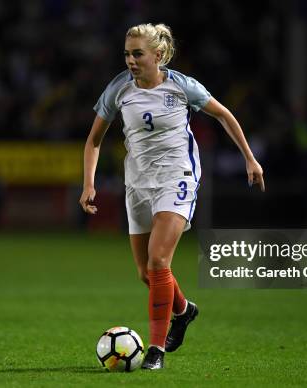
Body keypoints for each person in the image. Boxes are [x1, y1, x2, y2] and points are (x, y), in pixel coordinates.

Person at [80, 23, 264, 370]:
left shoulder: (182, 87)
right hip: (137, 183)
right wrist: (88, 184)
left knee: (158, 262)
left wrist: (249, 158)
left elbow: (223, 114)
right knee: (146, 274)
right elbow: (93, 140)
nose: (130, 60)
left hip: (176, 178)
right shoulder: (119, 88)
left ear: (158, 55)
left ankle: (156, 350)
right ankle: (184, 310)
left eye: (137, 54)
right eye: (127, 53)